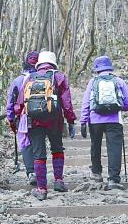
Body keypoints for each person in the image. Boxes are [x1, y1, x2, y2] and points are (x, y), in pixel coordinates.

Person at [15, 50, 77, 200]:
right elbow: (66, 102)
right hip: (54, 120)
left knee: (38, 154)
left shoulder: (30, 77)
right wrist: (71, 120)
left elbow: (20, 103)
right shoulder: (59, 76)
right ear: (53, 62)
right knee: (57, 149)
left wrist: (17, 118)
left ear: (39, 64)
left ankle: (42, 189)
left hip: (34, 122)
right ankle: (58, 181)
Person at [80, 56, 128, 189]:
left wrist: (83, 120)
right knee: (114, 148)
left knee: (95, 145)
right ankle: (113, 179)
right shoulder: (119, 81)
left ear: (96, 69)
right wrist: (119, 108)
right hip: (114, 119)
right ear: (110, 67)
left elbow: (86, 103)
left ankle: (96, 173)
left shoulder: (93, 82)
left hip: (95, 119)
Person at [6, 51, 39, 185]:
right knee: (38, 143)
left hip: (23, 117)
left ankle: (31, 171)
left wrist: (11, 118)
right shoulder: (43, 78)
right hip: (40, 116)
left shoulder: (18, 80)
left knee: (25, 144)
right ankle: (39, 171)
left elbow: (11, 102)